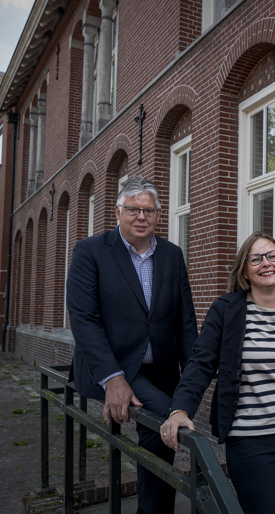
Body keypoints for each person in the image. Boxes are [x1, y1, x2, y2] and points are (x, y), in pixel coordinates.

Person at [160, 232, 275, 514]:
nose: (266, 263)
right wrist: (180, 409)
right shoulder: (227, 310)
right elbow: (201, 363)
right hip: (252, 440)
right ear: (244, 270)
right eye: (255, 259)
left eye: (272, 256)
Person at [67, 176, 198, 514]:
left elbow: (185, 322)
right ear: (117, 211)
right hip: (118, 366)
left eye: (149, 211)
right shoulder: (89, 251)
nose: (141, 217)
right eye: (133, 210)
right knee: (163, 415)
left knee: (162, 430)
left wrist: (193, 378)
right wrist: (112, 378)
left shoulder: (172, 254)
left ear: (158, 215)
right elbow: (84, 319)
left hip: (162, 371)